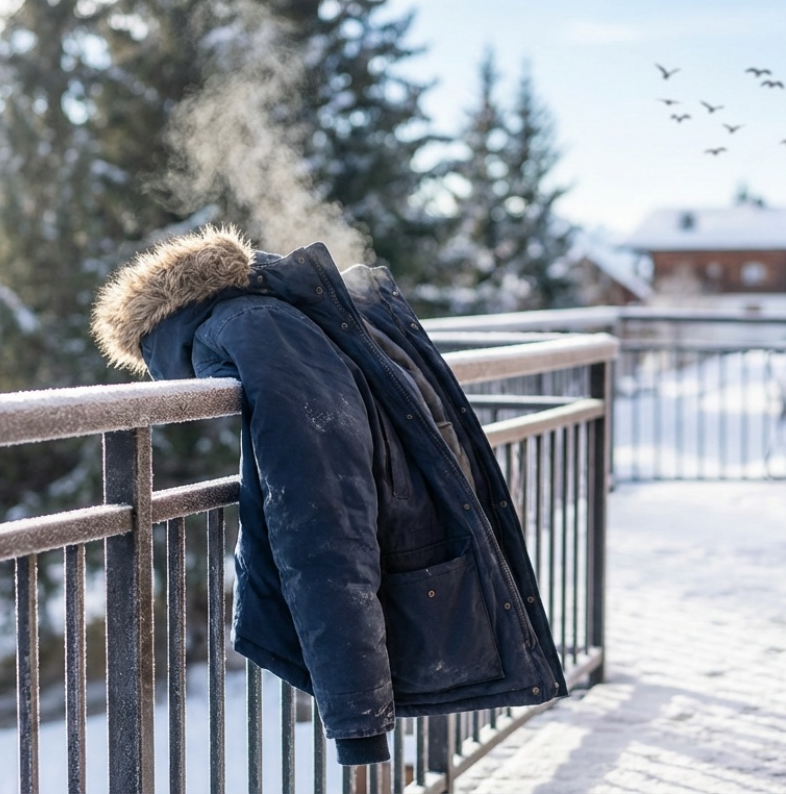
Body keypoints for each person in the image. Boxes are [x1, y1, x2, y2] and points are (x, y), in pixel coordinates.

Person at [91, 224, 566, 766]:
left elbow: (323, 519)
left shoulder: (253, 328)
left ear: (156, 340)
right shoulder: (266, 311)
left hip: (396, 575)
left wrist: (357, 720)